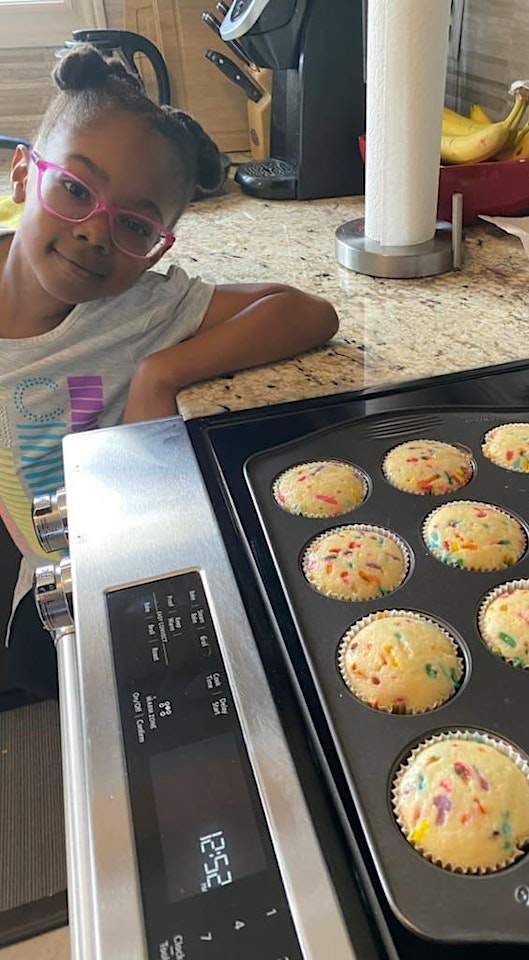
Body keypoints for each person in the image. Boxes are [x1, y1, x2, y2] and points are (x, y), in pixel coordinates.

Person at [0, 44, 339, 701]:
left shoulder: (137, 309)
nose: (97, 234)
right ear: (22, 175)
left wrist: (161, 372)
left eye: (134, 225)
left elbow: (307, 312)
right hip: (46, 575)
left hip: (134, 564)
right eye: (74, 188)